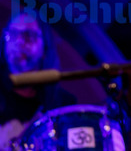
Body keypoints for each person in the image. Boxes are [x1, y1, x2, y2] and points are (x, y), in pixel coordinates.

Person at [0, 12, 76, 149]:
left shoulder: (63, 104)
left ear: (45, 47)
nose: (19, 41)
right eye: (12, 34)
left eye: (29, 35)